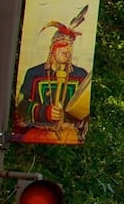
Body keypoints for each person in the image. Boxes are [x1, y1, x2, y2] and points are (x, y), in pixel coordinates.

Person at [12, 10, 92, 144]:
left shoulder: (80, 76)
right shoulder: (35, 74)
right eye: (62, 45)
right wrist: (44, 112)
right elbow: (20, 104)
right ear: (52, 47)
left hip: (69, 134)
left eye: (70, 46)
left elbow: (86, 112)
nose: (66, 50)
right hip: (38, 134)